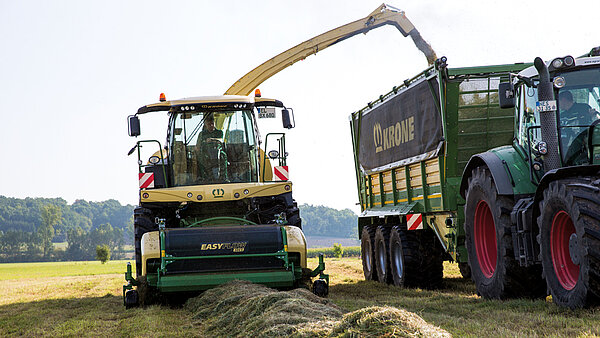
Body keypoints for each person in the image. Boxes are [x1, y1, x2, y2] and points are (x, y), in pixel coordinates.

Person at [195, 113, 227, 181]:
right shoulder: (202, 134)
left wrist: (212, 139)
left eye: (212, 124)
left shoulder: (219, 132)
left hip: (218, 151)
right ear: (205, 124)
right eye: (209, 124)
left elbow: (221, 140)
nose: (211, 126)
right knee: (201, 158)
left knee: (223, 156)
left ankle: (224, 177)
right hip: (205, 152)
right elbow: (197, 146)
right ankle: (204, 177)